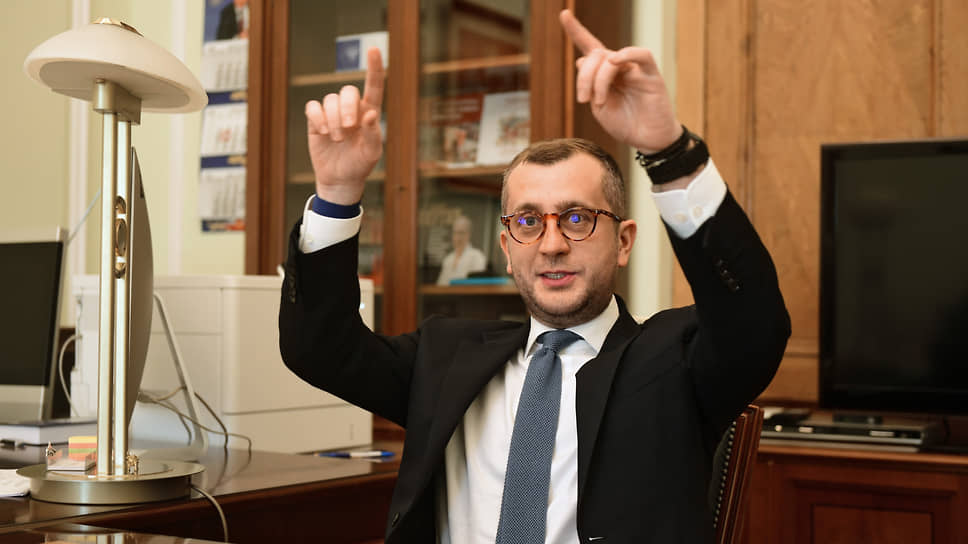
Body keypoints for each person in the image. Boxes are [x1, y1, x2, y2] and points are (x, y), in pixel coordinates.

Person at [279, 9, 790, 544]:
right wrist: (337, 194)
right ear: (506, 247)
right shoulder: (445, 357)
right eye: (527, 222)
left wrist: (669, 153)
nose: (551, 244)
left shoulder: (674, 361)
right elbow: (318, 348)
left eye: (577, 218)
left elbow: (754, 323)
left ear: (623, 242)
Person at [436, 215, 488, 285]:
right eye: (455, 233)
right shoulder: (448, 259)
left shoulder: (477, 257)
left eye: (461, 233)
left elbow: (476, 285)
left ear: (468, 234)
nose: (458, 237)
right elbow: (440, 285)